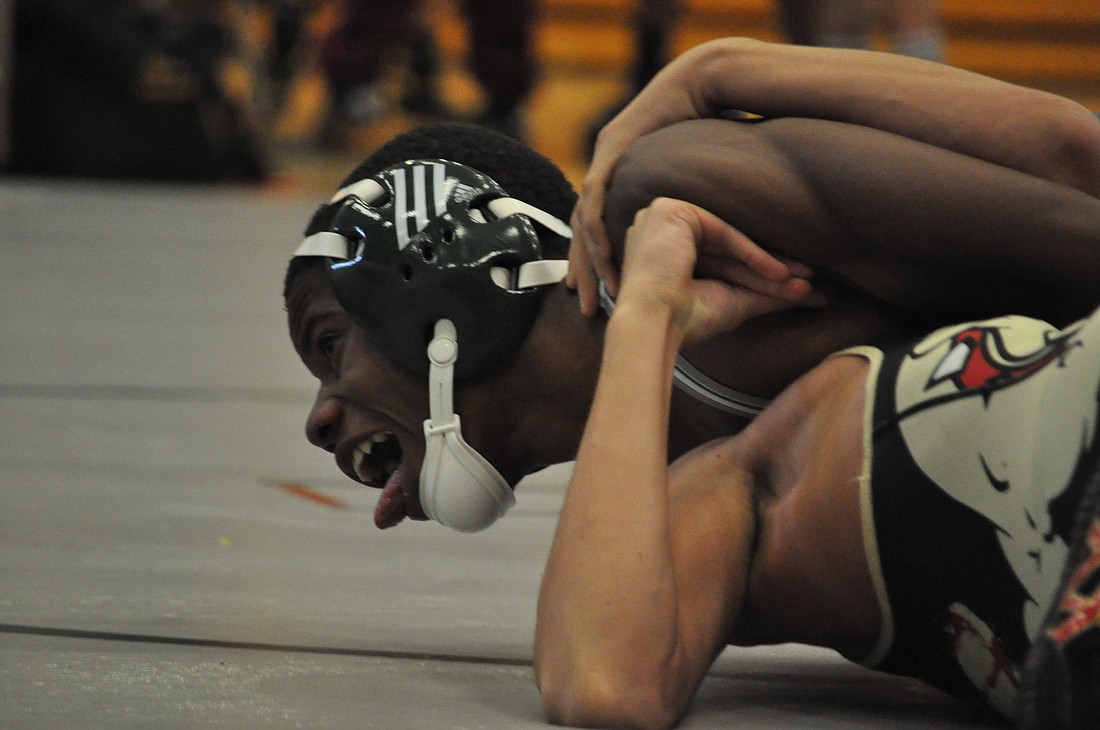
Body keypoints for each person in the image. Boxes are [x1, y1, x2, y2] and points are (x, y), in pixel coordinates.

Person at [533, 194, 1100, 729]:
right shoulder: (757, 471)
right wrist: (648, 317)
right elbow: (600, 680)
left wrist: (699, 84)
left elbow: (1068, 149)